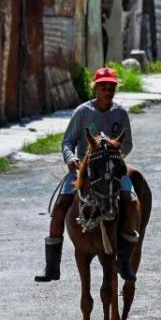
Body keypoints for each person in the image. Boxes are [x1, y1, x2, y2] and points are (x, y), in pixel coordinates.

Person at [34, 67, 141, 283]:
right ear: (95, 88)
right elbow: (68, 142)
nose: (108, 91)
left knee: (130, 202)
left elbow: (127, 143)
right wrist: (71, 158)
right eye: (103, 86)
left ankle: (124, 261)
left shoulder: (120, 113)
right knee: (60, 208)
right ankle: (52, 266)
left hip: (111, 170)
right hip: (83, 168)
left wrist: (112, 158)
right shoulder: (83, 112)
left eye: (111, 87)